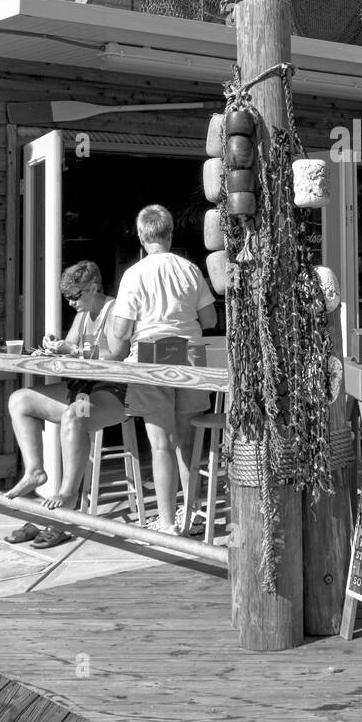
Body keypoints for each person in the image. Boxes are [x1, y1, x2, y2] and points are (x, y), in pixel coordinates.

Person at [105, 205, 217, 535]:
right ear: (170, 233)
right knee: (187, 441)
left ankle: (167, 523)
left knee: (161, 445)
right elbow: (210, 319)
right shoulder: (189, 269)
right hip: (190, 352)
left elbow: (121, 331)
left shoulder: (134, 274)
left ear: (141, 237)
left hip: (152, 353)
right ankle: (192, 514)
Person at [3, 261, 126, 547]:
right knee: (20, 400)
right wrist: (54, 346)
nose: (70, 302)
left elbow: (116, 355)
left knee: (74, 415)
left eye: (75, 296)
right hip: (83, 390)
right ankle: (34, 471)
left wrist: (72, 349)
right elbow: (71, 350)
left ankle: (68, 495)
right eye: (67, 298)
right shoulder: (82, 315)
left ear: (93, 287)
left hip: (113, 392)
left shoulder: (114, 310)